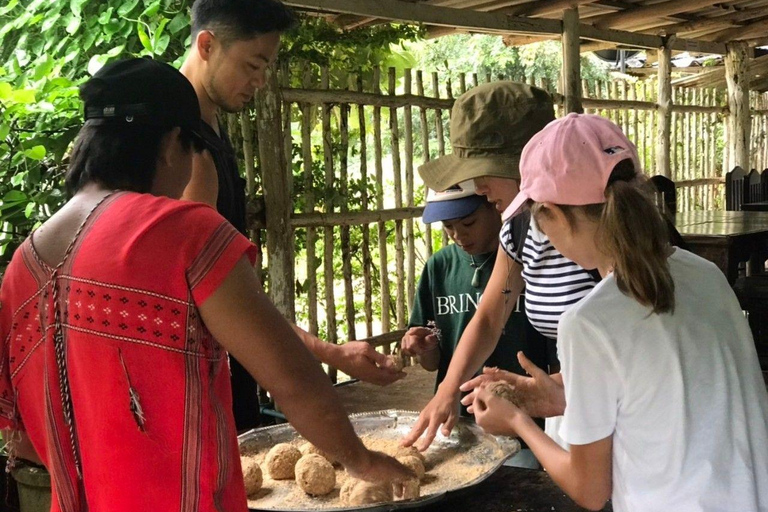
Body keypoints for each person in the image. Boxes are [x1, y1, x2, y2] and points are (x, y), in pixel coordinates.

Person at [0, 58, 412, 512]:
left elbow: (21, 442)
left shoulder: (23, 266)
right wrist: (361, 460)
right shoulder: (183, 233)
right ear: (174, 141)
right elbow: (291, 378)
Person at [462, 113, 768, 511]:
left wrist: (517, 422)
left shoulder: (588, 322)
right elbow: (667, 391)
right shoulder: (704, 274)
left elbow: (590, 490)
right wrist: (563, 394)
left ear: (552, 213)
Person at [178, 0, 403, 432]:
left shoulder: (211, 130)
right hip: (205, 389)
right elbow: (221, 304)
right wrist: (329, 355)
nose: (260, 81)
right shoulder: (189, 155)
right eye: (252, 65)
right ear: (207, 45)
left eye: (267, 67)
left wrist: (333, 352)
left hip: (229, 374)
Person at [401, 81, 597, 451]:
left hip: (615, 416)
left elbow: (633, 356)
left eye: (482, 172)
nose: (478, 187)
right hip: (574, 412)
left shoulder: (597, 231)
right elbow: (489, 319)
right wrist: (446, 390)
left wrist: (538, 399)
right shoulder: (519, 230)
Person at [403, 180, 548, 468]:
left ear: (495, 206)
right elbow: (432, 363)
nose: (458, 235)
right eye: (448, 226)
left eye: (468, 223)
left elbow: (490, 321)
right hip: (456, 421)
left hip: (523, 421)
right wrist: (423, 349)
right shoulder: (439, 267)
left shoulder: (528, 260)